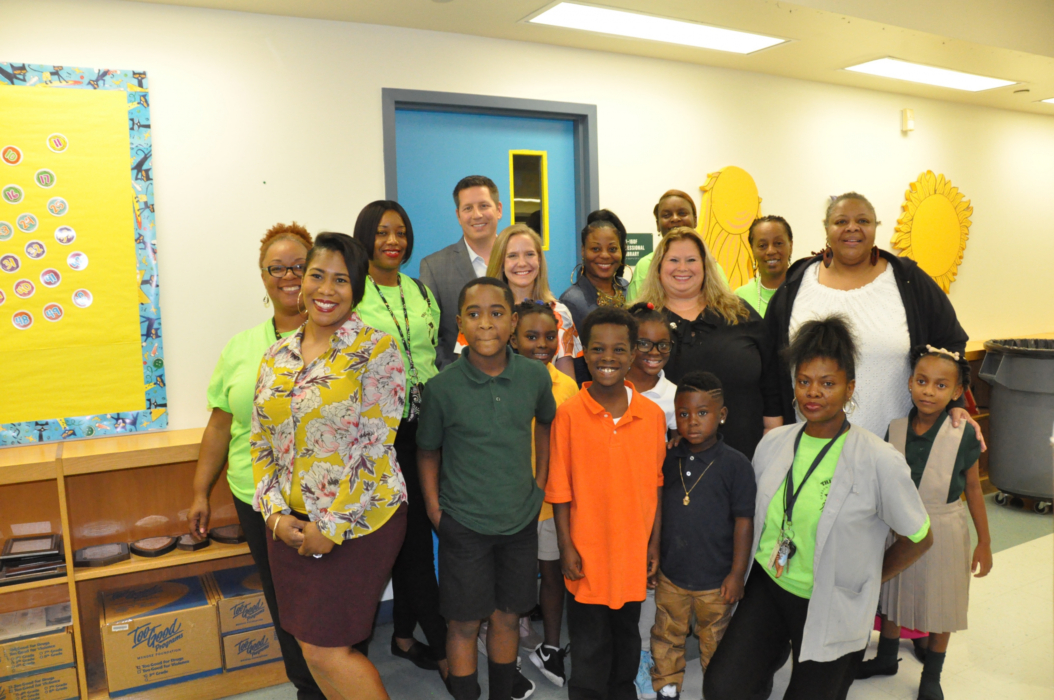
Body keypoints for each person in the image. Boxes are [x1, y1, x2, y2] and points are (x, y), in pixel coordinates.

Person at [703, 315, 934, 700]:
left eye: (828, 383)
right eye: (804, 381)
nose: (813, 393)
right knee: (723, 688)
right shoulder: (774, 443)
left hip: (833, 601)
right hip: (770, 584)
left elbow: (920, 537)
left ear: (849, 388)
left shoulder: (878, 459)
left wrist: (868, 579)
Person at [251, 233, 408, 700]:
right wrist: (274, 515)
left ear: (356, 289)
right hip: (290, 525)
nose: (326, 289)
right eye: (317, 275)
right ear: (302, 281)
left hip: (360, 523)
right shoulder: (276, 355)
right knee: (308, 645)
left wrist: (332, 526)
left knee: (326, 650)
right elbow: (262, 442)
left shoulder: (377, 350)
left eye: (341, 280)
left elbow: (375, 448)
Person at [188, 222, 325, 700]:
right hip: (258, 500)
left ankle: (338, 680)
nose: (289, 277)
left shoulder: (344, 340)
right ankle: (308, 688)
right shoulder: (241, 348)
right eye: (276, 268)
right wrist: (200, 491)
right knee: (283, 600)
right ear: (263, 277)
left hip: (327, 499)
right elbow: (220, 426)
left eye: (300, 266)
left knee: (329, 602)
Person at [417, 278, 556, 700]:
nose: (486, 323)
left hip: (519, 521)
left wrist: (539, 485)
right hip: (464, 525)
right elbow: (428, 452)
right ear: (460, 323)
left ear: (513, 321)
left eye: (497, 313)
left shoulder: (534, 376)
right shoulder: (442, 387)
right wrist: (435, 511)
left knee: (508, 616)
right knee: (463, 623)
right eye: (474, 314)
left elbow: (545, 425)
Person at [765, 192, 984, 445]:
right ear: (826, 228)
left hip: (896, 449)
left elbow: (950, 343)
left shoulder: (908, 281)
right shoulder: (796, 285)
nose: (852, 228)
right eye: (841, 221)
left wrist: (955, 403)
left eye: (863, 221)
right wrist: (774, 433)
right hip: (812, 448)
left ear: (875, 227)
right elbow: (771, 365)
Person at [856, 346, 991, 700]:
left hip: (945, 527)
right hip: (899, 527)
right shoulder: (896, 429)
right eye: (921, 381)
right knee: (893, 592)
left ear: (957, 391)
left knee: (943, 600)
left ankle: (932, 675)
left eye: (941, 385)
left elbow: (974, 488)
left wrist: (985, 542)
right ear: (910, 383)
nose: (929, 391)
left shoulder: (962, 433)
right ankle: (887, 657)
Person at [546, 306, 667, 700]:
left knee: (626, 635)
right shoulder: (568, 415)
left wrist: (653, 543)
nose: (608, 358)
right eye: (598, 349)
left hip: (632, 552)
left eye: (619, 350)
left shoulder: (652, 416)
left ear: (633, 355)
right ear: (585, 352)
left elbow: (656, 485)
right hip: (587, 554)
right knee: (589, 640)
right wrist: (566, 545)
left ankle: (621, 691)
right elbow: (559, 488)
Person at [351, 201, 447, 679]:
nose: (393, 241)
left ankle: (404, 636)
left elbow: (431, 354)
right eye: (382, 232)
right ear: (364, 237)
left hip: (428, 428)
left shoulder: (420, 290)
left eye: (401, 232)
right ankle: (447, 653)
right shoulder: (352, 293)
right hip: (381, 435)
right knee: (411, 545)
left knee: (417, 538)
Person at [651, 371, 755, 700]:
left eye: (702, 412)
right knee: (666, 633)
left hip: (717, 580)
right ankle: (667, 685)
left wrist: (737, 573)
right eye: (683, 414)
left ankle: (717, 688)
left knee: (716, 639)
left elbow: (744, 521)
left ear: (721, 415)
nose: (692, 421)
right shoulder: (668, 457)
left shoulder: (736, 464)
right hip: (672, 573)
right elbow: (657, 508)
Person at [639, 227, 782, 459]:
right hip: (665, 460)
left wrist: (773, 437)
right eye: (673, 260)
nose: (682, 268)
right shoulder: (641, 322)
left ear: (705, 266)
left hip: (745, 454)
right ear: (658, 268)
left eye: (691, 260)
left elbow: (771, 379)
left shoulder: (739, 313)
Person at [510, 301, 579, 688]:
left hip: (553, 503)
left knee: (552, 575)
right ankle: (504, 652)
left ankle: (551, 646)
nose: (541, 344)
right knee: (514, 581)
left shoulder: (566, 387)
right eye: (531, 336)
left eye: (550, 337)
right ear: (513, 338)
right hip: (513, 504)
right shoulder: (502, 381)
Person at [624, 301, 677, 698]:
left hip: (652, 504)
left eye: (663, 345)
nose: (654, 353)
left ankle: (643, 654)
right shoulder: (610, 382)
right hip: (611, 501)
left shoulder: (672, 396)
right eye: (644, 344)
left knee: (648, 580)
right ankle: (618, 650)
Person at [452, 224, 581, 379]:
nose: (522, 263)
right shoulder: (479, 313)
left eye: (529, 254)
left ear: (539, 260)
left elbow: (567, 384)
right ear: (500, 262)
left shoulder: (560, 313)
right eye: (512, 256)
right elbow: (463, 376)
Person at [420, 175, 503, 369]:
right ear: (458, 215)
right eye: (468, 208)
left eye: (484, 205)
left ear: (499, 209)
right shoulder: (434, 267)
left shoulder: (519, 261)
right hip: (458, 378)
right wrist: (452, 376)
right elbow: (429, 335)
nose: (477, 215)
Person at [560, 210, 630, 331]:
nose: (605, 255)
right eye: (596, 249)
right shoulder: (571, 301)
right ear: (583, 251)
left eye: (612, 249)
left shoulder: (626, 287)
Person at [627, 190, 697, 303]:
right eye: (666, 215)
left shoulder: (709, 263)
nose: (675, 218)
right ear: (658, 224)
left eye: (682, 213)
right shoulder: (646, 266)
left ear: (695, 220)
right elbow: (637, 311)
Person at [734, 216, 794, 318]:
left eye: (778, 243)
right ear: (752, 249)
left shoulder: (804, 290)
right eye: (762, 245)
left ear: (790, 246)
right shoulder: (740, 298)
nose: (771, 251)